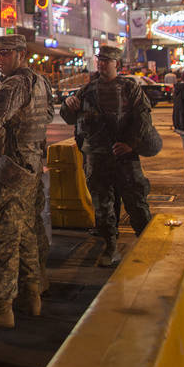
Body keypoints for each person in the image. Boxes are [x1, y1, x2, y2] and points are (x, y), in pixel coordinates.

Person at [0, 34, 52, 329]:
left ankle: (2, 309)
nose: (1, 59)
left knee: (2, 238)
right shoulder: (39, 82)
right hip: (29, 168)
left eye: (6, 54)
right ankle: (32, 296)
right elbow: (48, 115)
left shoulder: (13, 84)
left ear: (21, 55)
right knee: (26, 233)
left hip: (7, 172)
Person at [61, 45, 153, 268]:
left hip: (123, 157)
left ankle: (148, 245)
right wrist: (68, 105)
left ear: (116, 64)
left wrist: (131, 144)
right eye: (100, 60)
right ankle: (110, 246)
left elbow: (143, 118)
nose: (102, 64)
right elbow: (69, 118)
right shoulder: (88, 90)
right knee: (103, 206)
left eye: (107, 61)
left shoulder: (129, 88)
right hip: (97, 157)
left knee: (136, 204)